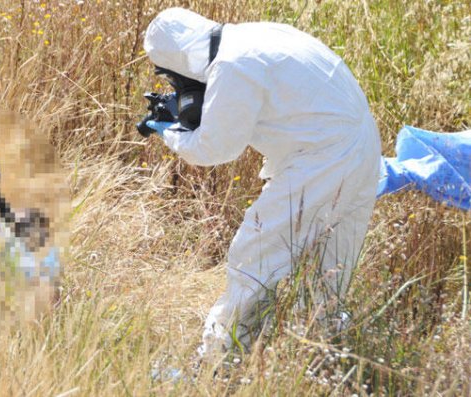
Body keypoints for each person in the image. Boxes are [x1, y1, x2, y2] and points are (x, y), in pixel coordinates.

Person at [142, 8, 381, 361]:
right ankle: (320, 361)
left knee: (254, 255)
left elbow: (213, 149)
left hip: (325, 159)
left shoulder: (232, 66)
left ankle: (217, 361)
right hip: (362, 149)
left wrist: (171, 132)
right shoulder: (254, 36)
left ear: (178, 59)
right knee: (328, 272)